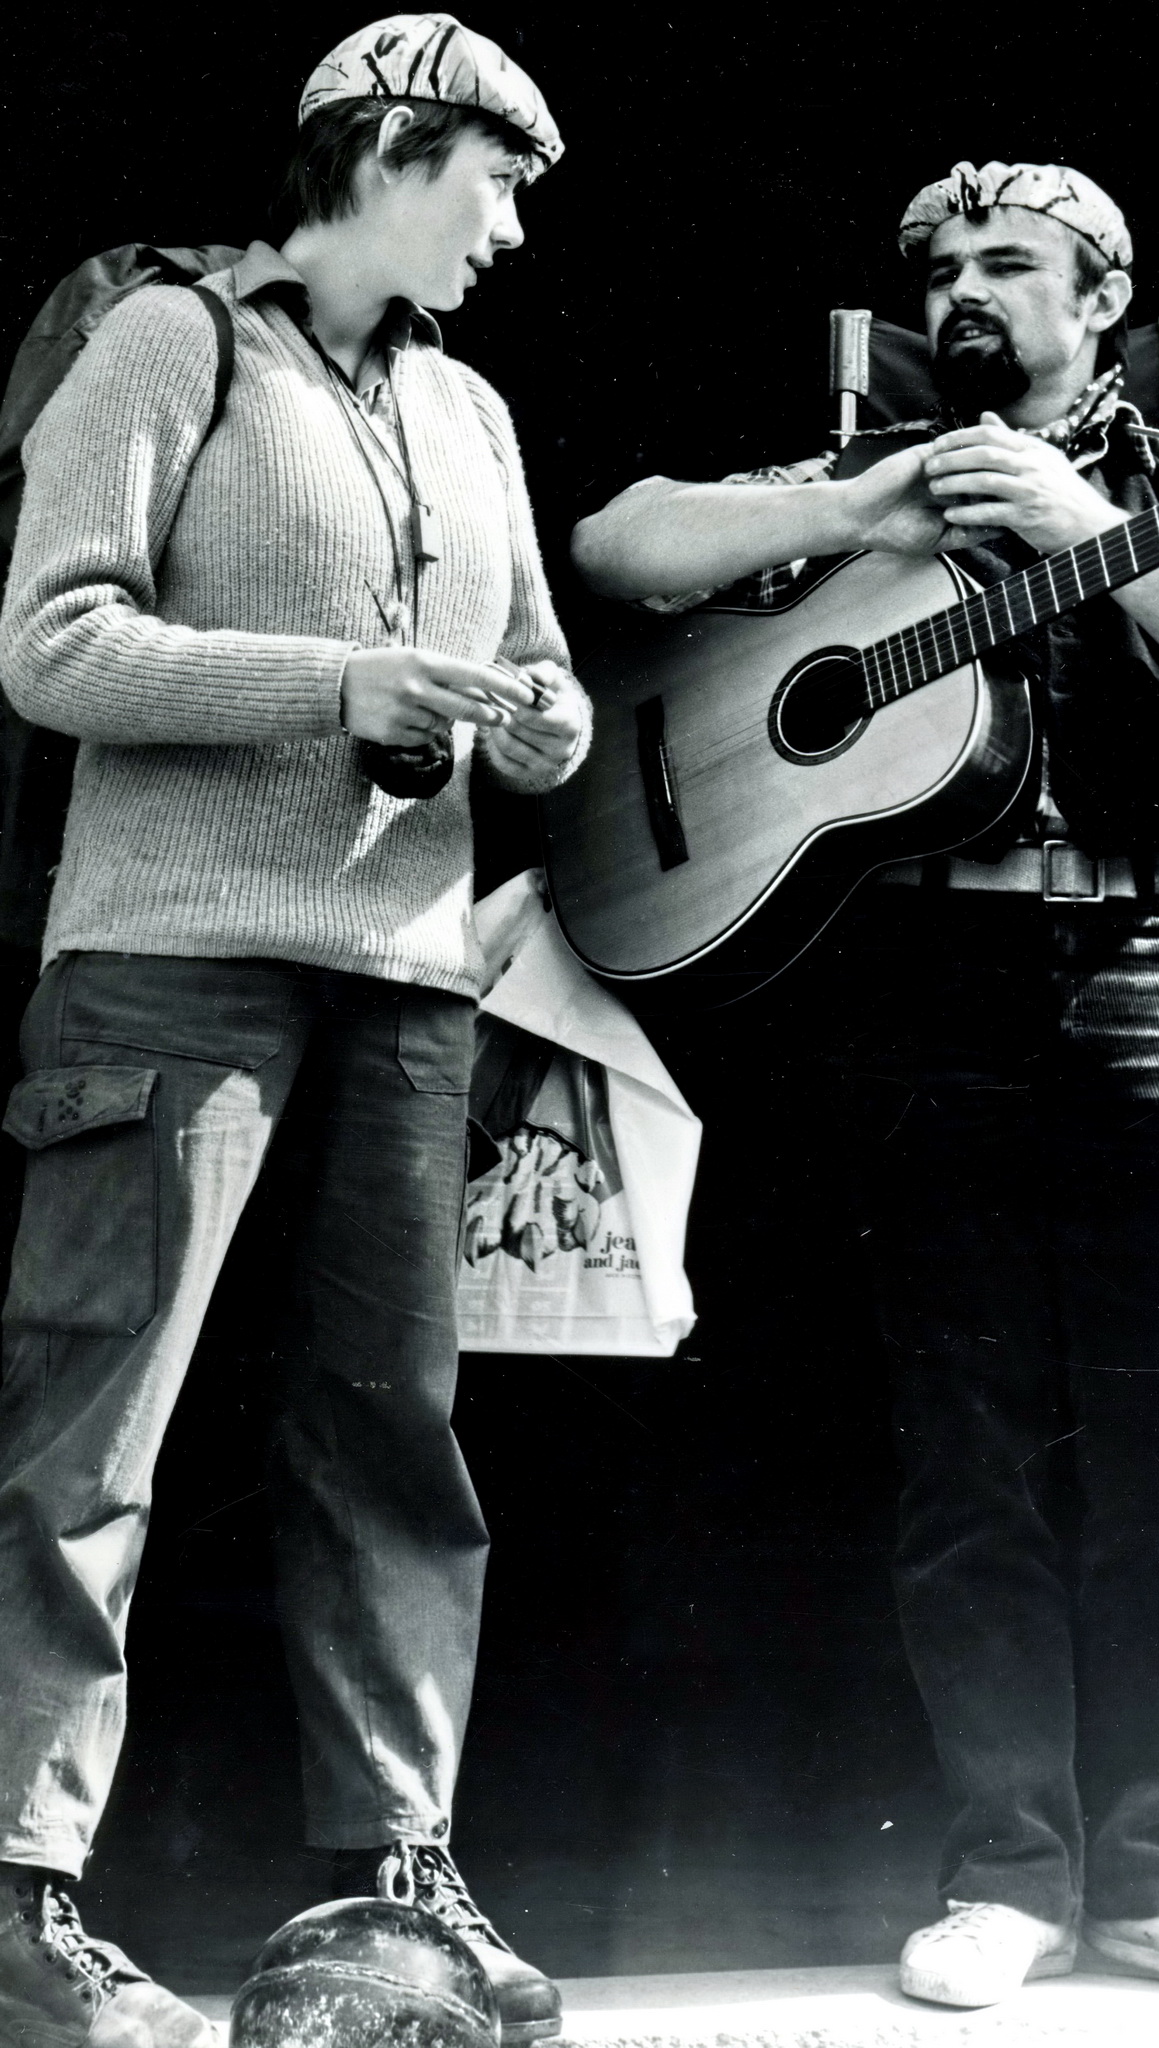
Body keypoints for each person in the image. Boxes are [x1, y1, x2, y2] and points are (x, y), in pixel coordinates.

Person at [571, 159, 1159, 2020]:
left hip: (1147, 965)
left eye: (1010, 263)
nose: (964, 294)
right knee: (967, 1450)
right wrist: (862, 500)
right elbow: (615, 546)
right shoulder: (863, 484)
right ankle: (1007, 1873)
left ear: (1100, 302)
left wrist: (1101, 530)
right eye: (939, 270)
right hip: (927, 981)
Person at [0, 15, 589, 2046]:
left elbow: (535, 662)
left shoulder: (476, 410)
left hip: (407, 974)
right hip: (171, 959)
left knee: (389, 1434)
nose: (512, 229)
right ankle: (18, 1904)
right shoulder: (168, 345)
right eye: (495, 181)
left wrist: (540, 720)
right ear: (392, 149)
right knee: (92, 1432)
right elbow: (54, 642)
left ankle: (397, 1886)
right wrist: (333, 683)